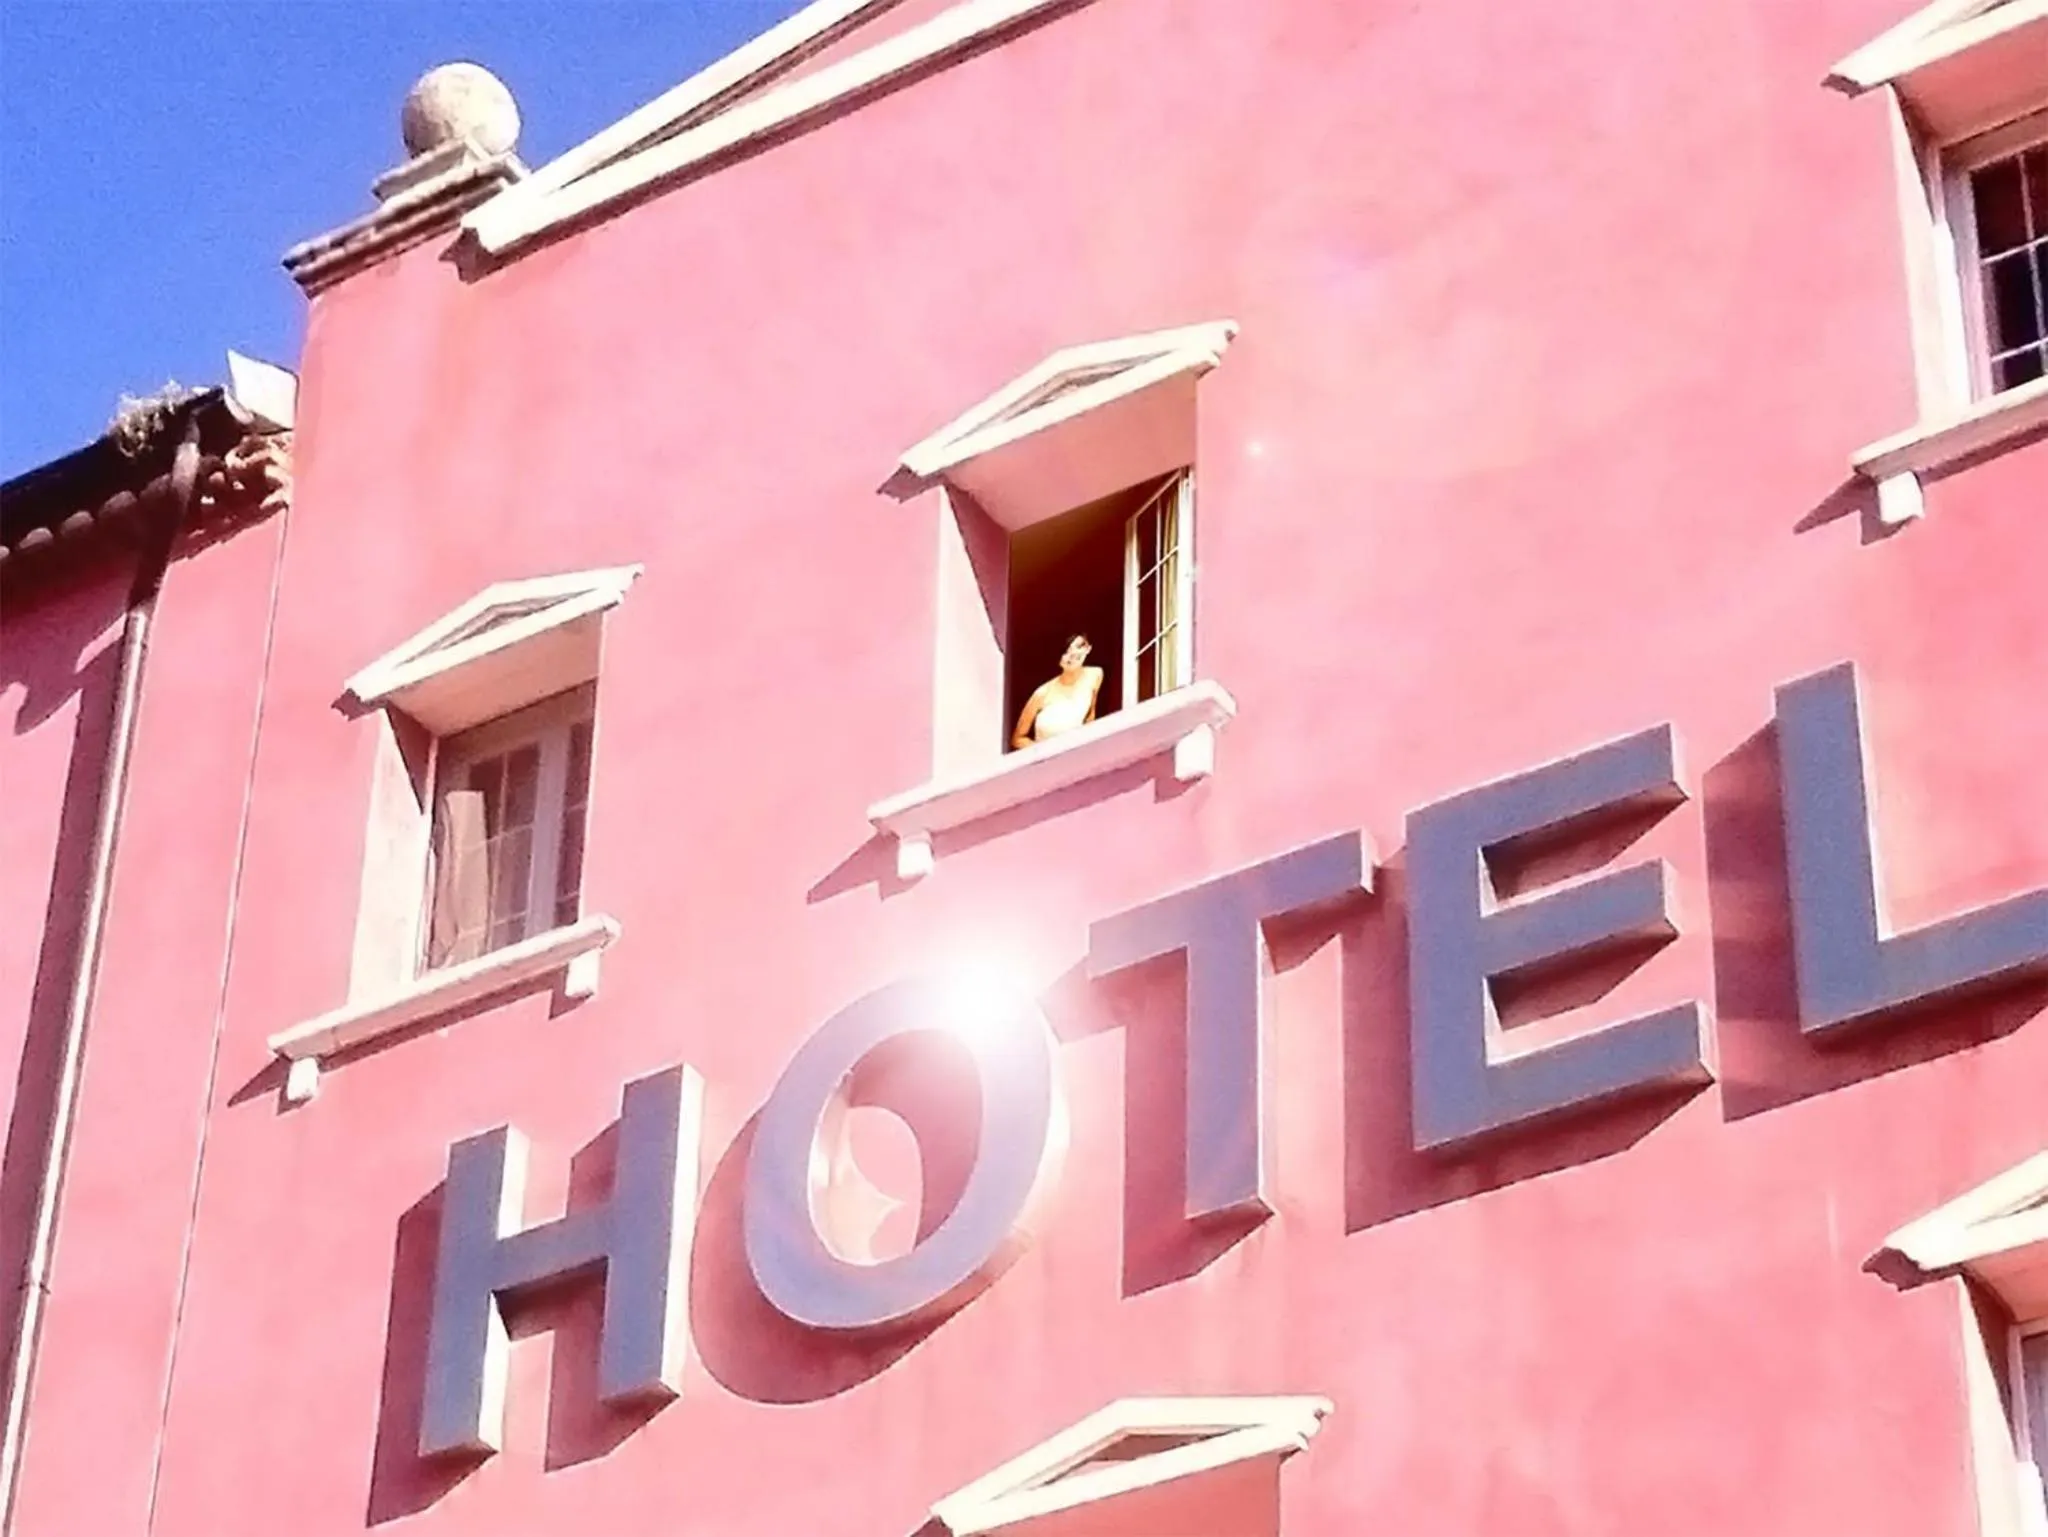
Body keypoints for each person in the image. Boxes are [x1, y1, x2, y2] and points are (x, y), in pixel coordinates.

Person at [1012, 633, 1104, 749]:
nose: (1073, 653)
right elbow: (1018, 739)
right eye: (1066, 651)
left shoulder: (1095, 675)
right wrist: (1045, 752)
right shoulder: (1042, 693)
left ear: (1088, 648)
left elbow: (1090, 714)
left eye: (1079, 646)